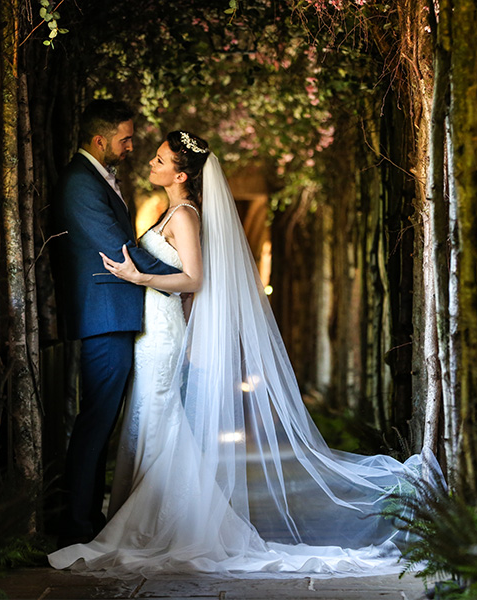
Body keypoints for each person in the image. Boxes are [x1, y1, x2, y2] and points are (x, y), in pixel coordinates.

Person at [48, 131, 431, 577]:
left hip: (163, 331)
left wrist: (140, 279)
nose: (151, 164)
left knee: (159, 416)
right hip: (151, 328)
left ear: (181, 174)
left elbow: (193, 279)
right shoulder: (173, 210)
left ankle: (166, 523)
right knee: (150, 418)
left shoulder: (186, 215)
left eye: (159, 159)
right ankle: (146, 515)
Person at [50, 101, 182, 548]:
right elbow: (118, 247)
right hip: (103, 315)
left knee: (103, 421)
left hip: (117, 313)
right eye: (125, 139)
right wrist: (176, 282)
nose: (131, 147)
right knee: (96, 419)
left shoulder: (99, 178)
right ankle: (77, 526)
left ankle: (87, 517)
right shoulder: (79, 184)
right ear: (99, 140)